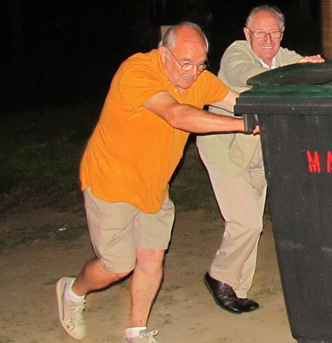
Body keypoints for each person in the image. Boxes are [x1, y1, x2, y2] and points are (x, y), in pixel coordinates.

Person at [56, 23, 257, 343]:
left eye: (201, 63)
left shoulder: (199, 79)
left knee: (151, 258)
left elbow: (240, 101)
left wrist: (276, 109)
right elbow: (176, 115)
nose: (193, 72)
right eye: (186, 63)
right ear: (164, 54)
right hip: (112, 181)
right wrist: (242, 126)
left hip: (154, 186)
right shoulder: (137, 71)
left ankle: (136, 331)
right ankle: (73, 291)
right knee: (117, 266)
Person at [196, 5, 332, 314]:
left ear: (282, 34)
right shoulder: (236, 54)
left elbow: (315, 69)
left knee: (251, 223)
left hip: (259, 152)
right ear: (247, 34)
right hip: (224, 149)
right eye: (260, 32)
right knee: (246, 223)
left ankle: (237, 286)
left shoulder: (283, 56)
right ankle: (218, 277)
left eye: (274, 32)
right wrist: (297, 68)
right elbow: (250, 78)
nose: (267, 39)